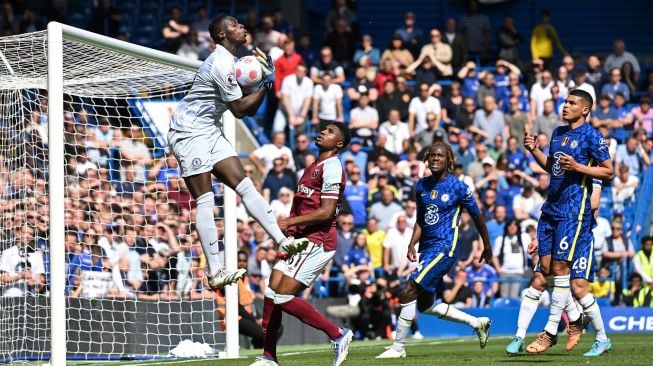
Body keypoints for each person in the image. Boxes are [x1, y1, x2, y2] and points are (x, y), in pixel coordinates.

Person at [167, 15, 309, 289]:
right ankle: (216, 271)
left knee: (245, 185)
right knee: (206, 200)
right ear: (221, 35)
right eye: (233, 25)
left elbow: (245, 108)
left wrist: (265, 84)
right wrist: (266, 83)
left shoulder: (231, 62)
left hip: (209, 129)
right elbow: (240, 110)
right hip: (188, 132)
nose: (241, 26)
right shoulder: (220, 63)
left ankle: (282, 241)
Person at [376, 141, 493, 359]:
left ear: (449, 160)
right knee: (425, 305)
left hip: (446, 246)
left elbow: (478, 216)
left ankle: (398, 347)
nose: (435, 158)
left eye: (440, 155)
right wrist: (412, 243)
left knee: (408, 288)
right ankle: (477, 323)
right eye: (431, 155)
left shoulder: (459, 187)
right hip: (427, 247)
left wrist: (487, 246)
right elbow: (421, 218)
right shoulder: (421, 186)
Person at [252, 122, 353, 366]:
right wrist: (290, 235)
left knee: (284, 296)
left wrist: (289, 222)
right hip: (300, 239)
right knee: (271, 292)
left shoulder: (332, 167)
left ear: (339, 144)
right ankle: (268, 357)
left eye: (330, 132)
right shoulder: (312, 166)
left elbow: (327, 212)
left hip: (318, 240)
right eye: (323, 129)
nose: (322, 132)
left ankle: (339, 335)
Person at [522, 88, 612, 355]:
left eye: (572, 103)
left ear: (584, 109)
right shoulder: (558, 133)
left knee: (562, 268)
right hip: (552, 209)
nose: (565, 106)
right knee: (547, 269)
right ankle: (577, 322)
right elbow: (553, 167)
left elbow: (608, 171)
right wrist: (534, 151)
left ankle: (550, 332)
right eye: (565, 101)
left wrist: (580, 167)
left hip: (574, 211)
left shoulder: (592, 136)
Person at [506, 179, 611, 356]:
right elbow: (549, 205)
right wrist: (539, 238)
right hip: (558, 232)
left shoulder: (588, 170)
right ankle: (520, 336)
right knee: (540, 279)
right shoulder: (563, 171)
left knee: (578, 288)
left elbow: (594, 203)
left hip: (580, 237)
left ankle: (601, 338)